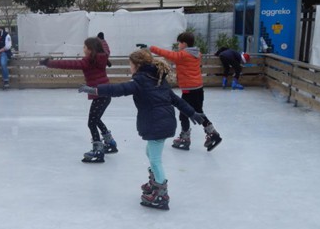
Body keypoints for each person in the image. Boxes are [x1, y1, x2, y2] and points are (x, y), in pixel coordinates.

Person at [78, 49, 219, 210]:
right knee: (150, 153)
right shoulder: (158, 79)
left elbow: (119, 89)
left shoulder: (141, 82)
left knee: (155, 160)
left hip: (156, 124)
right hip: (164, 122)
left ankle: (161, 194)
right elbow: (176, 101)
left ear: (137, 65)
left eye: (130, 65)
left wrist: (94, 90)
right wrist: (192, 113)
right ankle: (155, 182)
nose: (129, 68)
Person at [39, 37, 118, 162]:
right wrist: (101, 39)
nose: (83, 49)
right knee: (96, 119)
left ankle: (98, 150)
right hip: (105, 93)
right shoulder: (103, 56)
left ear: (90, 50)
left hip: (99, 95)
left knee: (91, 122)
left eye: (85, 47)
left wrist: (49, 63)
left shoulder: (87, 62)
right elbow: (106, 48)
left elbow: (68, 64)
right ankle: (110, 142)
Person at [150, 32, 222, 151]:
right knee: (193, 112)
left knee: (187, 113)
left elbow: (167, 54)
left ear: (184, 43)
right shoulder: (196, 54)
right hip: (198, 88)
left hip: (190, 90)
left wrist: (151, 48)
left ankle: (204, 135)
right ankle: (194, 136)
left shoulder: (183, 55)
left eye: (179, 43)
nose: (178, 45)